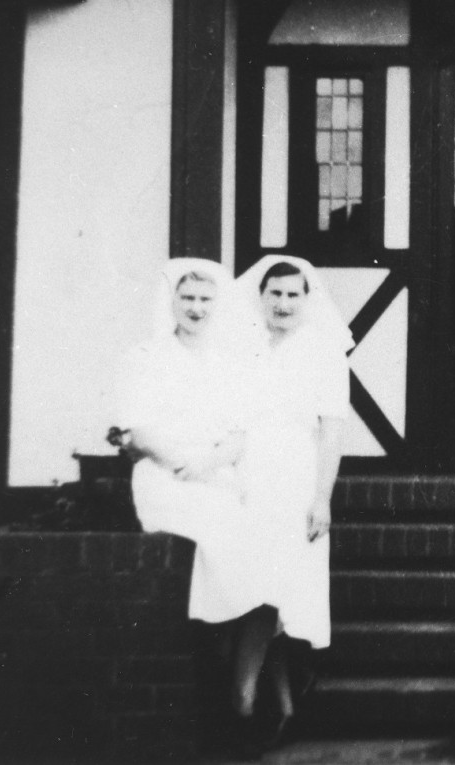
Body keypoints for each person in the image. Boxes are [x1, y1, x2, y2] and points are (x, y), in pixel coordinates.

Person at [225, 254, 352, 747]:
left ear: (307, 299)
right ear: (260, 297)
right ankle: (279, 705)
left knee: (273, 591)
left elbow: (333, 431)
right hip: (244, 478)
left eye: (292, 294)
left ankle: (243, 700)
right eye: (273, 293)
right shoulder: (244, 347)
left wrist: (322, 498)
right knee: (249, 588)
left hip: (295, 479)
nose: (282, 303)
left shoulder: (323, 353)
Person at [113, 258, 261, 639]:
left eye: (206, 299)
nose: (196, 308)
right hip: (163, 476)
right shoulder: (144, 357)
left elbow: (237, 436)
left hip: (213, 471)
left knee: (258, 534)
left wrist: (207, 464)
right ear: (172, 302)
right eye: (188, 298)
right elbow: (140, 433)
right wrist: (185, 465)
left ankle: (240, 643)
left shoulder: (229, 364)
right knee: (226, 527)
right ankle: (228, 636)